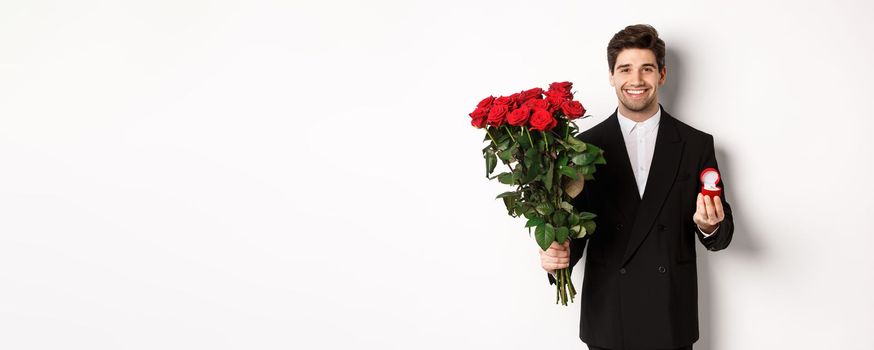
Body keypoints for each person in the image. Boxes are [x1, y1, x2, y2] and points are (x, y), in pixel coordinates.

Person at [539, 24, 734, 350]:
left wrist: (709, 225)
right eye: (625, 69)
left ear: (662, 74)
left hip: (670, 316)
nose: (636, 80)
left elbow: (721, 231)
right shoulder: (581, 148)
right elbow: (573, 228)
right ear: (612, 76)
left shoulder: (696, 144)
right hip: (609, 317)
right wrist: (557, 256)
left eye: (646, 68)